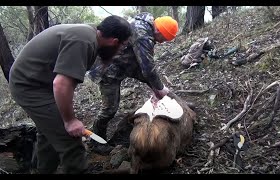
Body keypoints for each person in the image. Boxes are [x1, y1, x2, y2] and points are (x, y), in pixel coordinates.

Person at [8, 15, 132, 174]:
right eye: (123, 46)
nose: (121, 50)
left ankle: (42, 170)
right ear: (115, 41)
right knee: (71, 143)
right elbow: (61, 84)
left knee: (50, 134)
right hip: (29, 86)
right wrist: (70, 121)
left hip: (37, 83)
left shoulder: (89, 34)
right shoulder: (84, 41)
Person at [87, 12, 179, 154]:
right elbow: (148, 67)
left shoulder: (145, 28)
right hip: (108, 68)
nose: (161, 42)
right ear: (158, 30)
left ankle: (170, 101)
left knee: (155, 84)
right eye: (163, 39)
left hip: (126, 64)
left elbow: (146, 68)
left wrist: (158, 88)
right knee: (109, 109)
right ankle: (95, 141)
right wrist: (159, 87)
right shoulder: (142, 33)